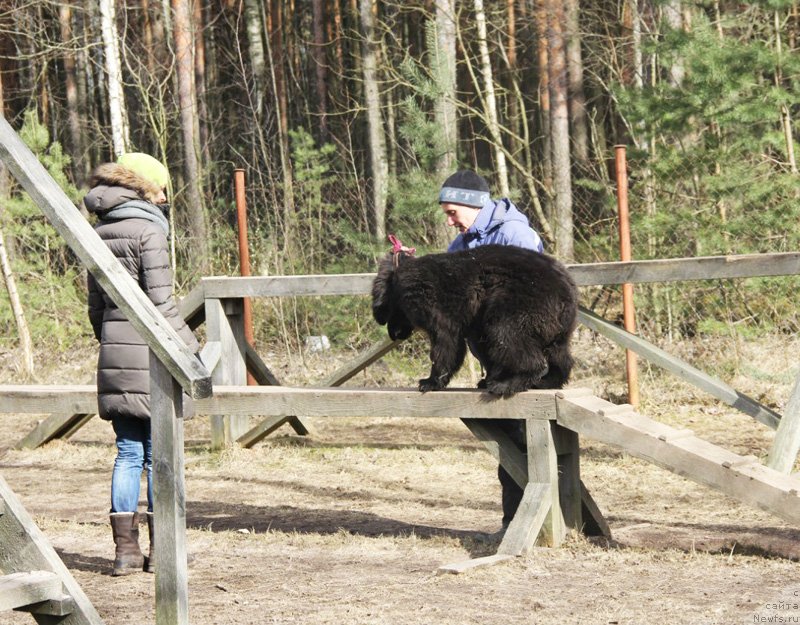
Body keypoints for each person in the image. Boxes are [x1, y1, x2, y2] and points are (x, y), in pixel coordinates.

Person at [84, 152, 200, 576]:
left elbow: (95, 309)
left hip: (114, 351)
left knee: (127, 453)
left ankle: (125, 553)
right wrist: (192, 352)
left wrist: (112, 344)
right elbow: (162, 305)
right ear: (146, 187)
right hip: (148, 353)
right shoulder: (149, 230)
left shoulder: (97, 231)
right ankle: (164, 548)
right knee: (155, 453)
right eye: (163, 188)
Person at [439, 169, 543, 532]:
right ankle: (516, 521)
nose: (450, 221)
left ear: (473, 204)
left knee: (528, 440)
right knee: (509, 446)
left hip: (526, 358)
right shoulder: (462, 245)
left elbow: (529, 297)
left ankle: (528, 523)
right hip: (494, 362)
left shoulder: (515, 233)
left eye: (453, 212)